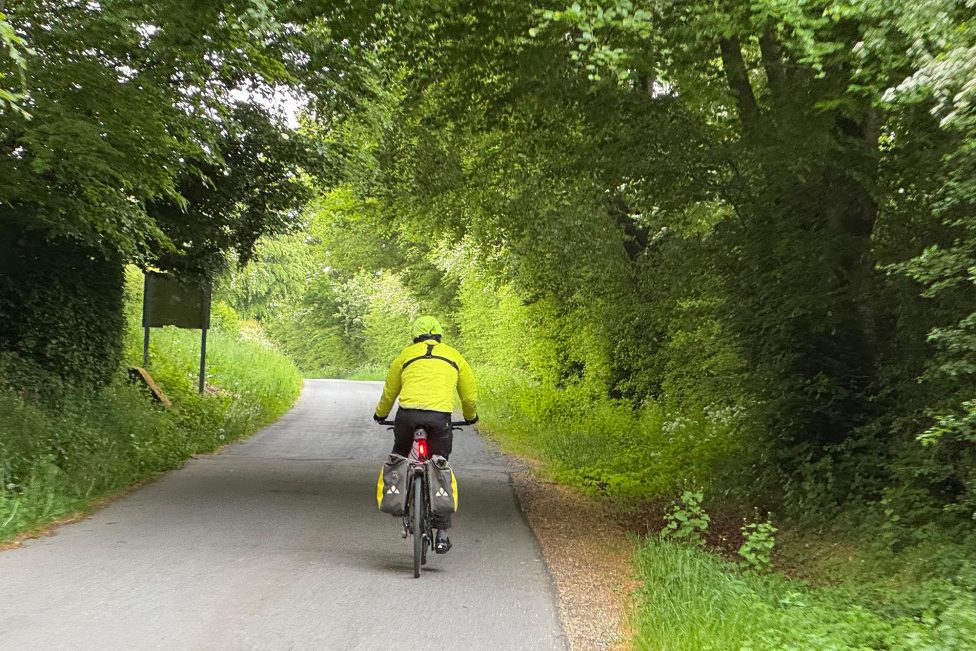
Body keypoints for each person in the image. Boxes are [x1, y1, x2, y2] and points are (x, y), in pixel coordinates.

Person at [373, 315, 478, 554]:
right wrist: (471, 416)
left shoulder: (405, 356)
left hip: (407, 416)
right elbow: (469, 397)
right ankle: (441, 533)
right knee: (440, 467)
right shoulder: (454, 356)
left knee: (399, 458)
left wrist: (380, 414)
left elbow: (390, 392)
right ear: (440, 336)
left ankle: (397, 501)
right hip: (439, 418)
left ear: (415, 336)